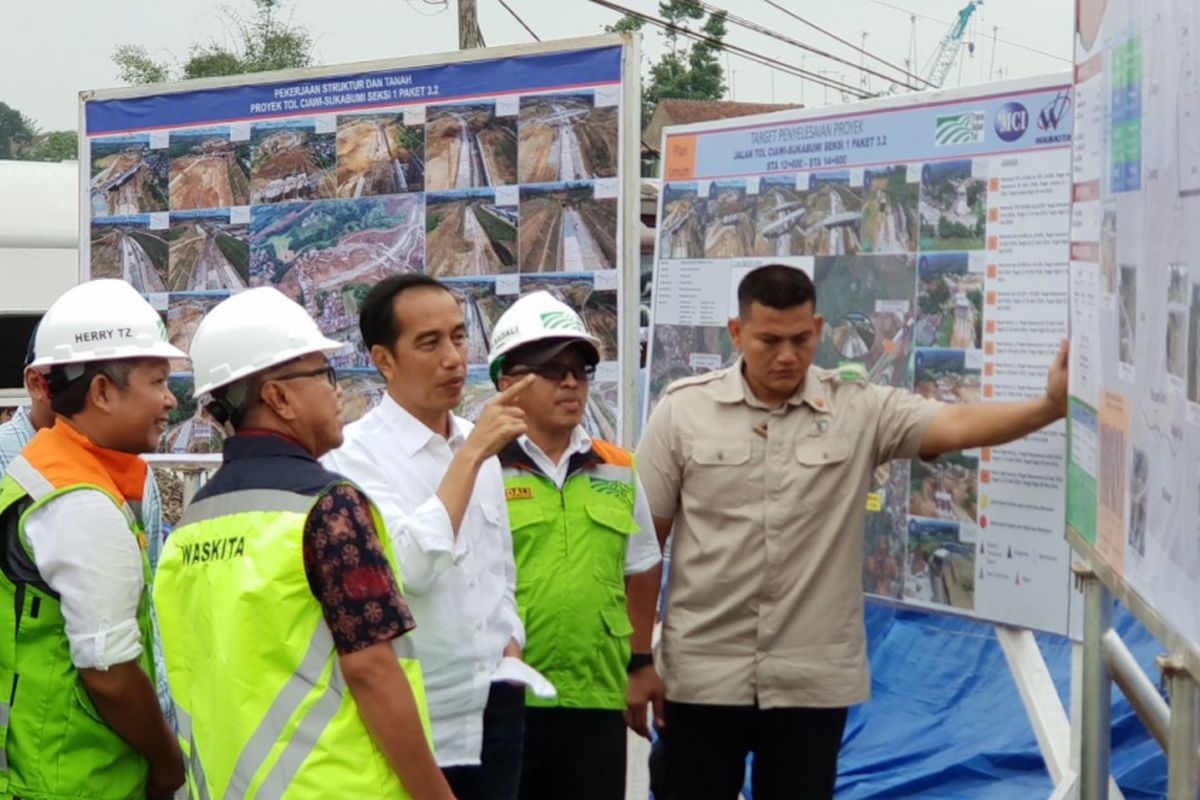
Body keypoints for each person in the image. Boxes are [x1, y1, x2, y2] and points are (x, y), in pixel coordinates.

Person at [635, 264, 1069, 799]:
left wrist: (1048, 408)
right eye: (769, 340)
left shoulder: (858, 409)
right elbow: (642, 547)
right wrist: (638, 658)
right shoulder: (682, 411)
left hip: (810, 682)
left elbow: (955, 424)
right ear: (737, 333)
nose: (787, 355)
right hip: (702, 676)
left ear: (818, 329)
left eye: (800, 339)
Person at [153, 287, 449, 798]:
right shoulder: (329, 508)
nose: (337, 392)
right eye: (323, 375)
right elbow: (373, 671)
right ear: (278, 397)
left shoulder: (190, 526)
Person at [323, 274, 529, 799]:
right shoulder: (352, 458)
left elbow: (499, 565)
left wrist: (511, 642)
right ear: (384, 360)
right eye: (429, 342)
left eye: (459, 337)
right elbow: (410, 569)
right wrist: (471, 455)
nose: (454, 359)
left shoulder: (475, 444)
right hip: (418, 717)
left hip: (494, 704)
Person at [0, 279, 186, 799]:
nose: (170, 400)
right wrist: (168, 762)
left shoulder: (61, 468)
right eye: (157, 382)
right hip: (80, 777)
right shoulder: (78, 499)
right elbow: (109, 671)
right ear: (102, 391)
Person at [486, 292, 663, 800]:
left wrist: (639, 661)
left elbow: (644, 564)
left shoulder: (618, 467)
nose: (570, 381)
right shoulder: (478, 468)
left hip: (595, 698)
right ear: (506, 382)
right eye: (551, 368)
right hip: (505, 701)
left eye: (580, 369)